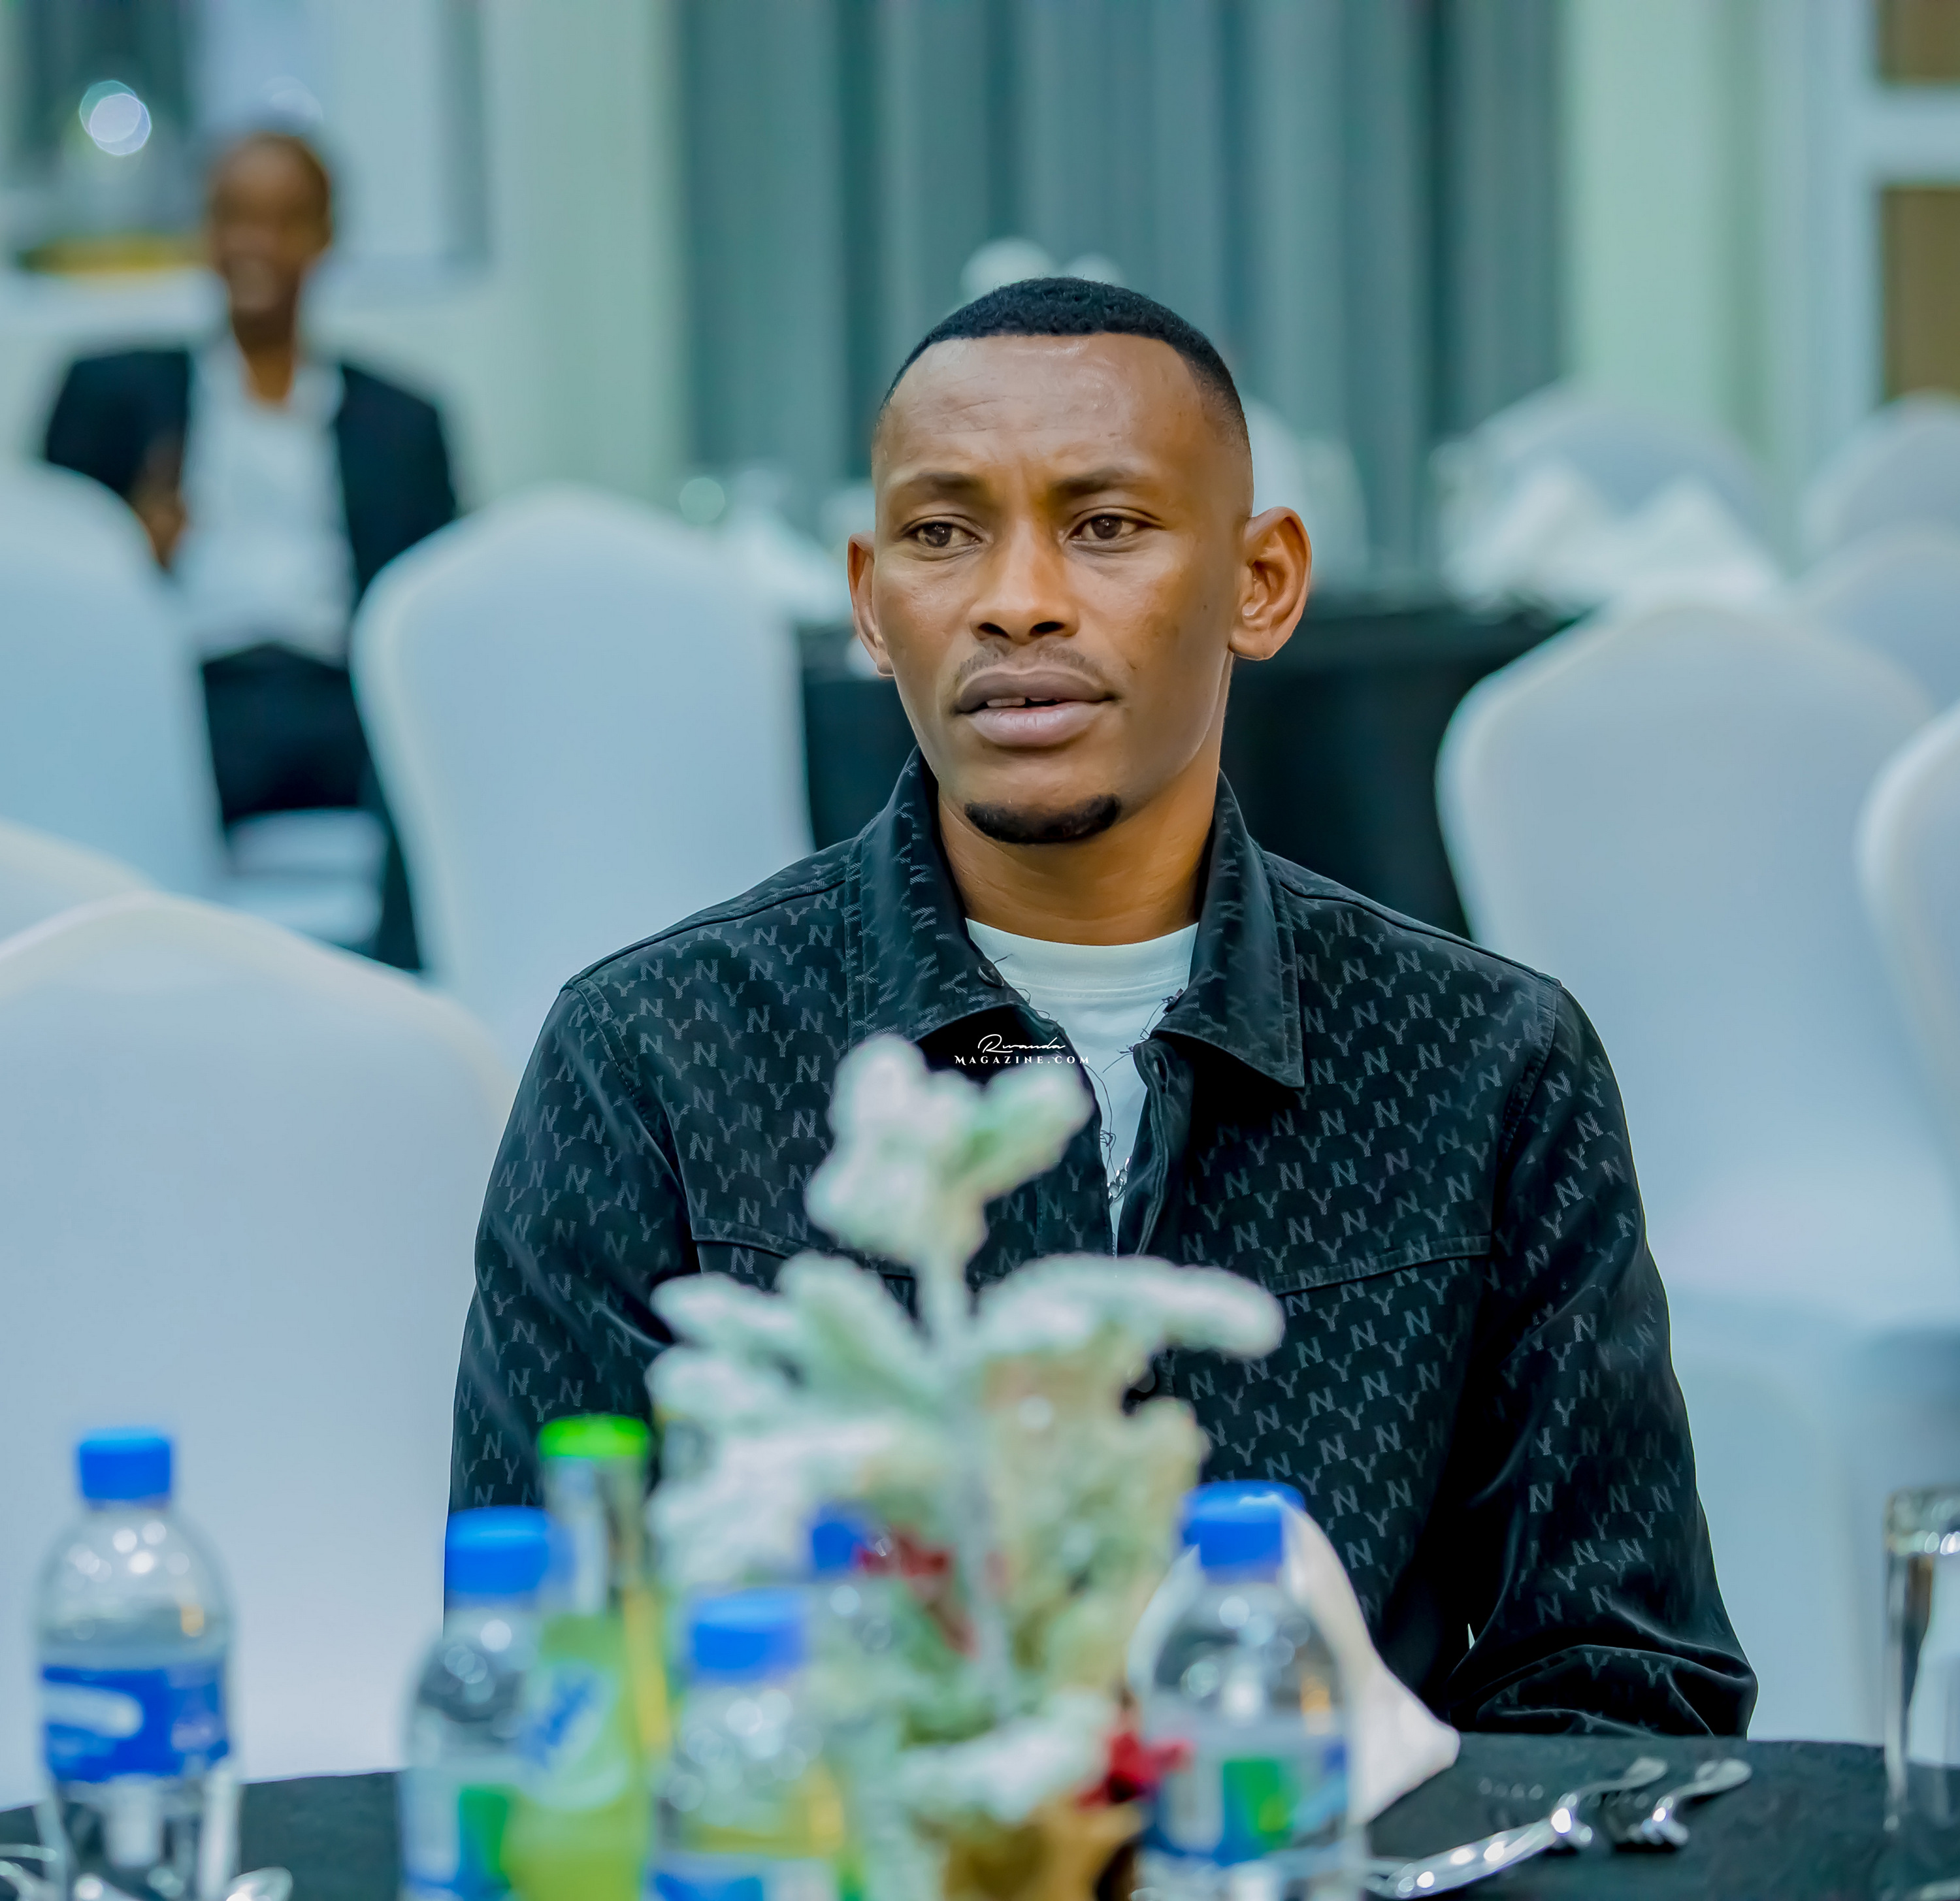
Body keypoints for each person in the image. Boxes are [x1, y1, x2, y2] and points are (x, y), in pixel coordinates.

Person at [452, 279, 1753, 1736]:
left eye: (1107, 525)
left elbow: (1621, 1687)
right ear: (871, 601)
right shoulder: (655, 1055)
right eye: (943, 534)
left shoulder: (1478, 1061)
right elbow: (549, 1675)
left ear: (1262, 582)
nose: (1017, 598)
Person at [43, 130, 453, 962]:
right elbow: (50, 564)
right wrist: (133, 551)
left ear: (327, 236)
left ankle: (399, 989)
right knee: (116, 776)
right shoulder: (114, 396)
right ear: (205, 229)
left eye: (285, 220)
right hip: (195, 696)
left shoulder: (402, 423)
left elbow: (435, 603)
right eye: (235, 216)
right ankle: (125, 972)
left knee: (430, 758)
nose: (256, 244)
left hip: (339, 697)